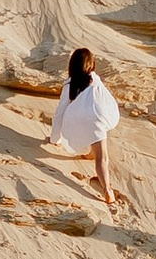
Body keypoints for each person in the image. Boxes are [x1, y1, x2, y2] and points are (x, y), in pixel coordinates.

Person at [49, 44, 126, 214]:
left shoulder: (70, 84)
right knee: (102, 157)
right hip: (99, 115)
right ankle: (107, 190)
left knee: (97, 153)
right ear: (91, 65)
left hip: (82, 118)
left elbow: (60, 113)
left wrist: (55, 139)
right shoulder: (94, 79)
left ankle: (103, 182)